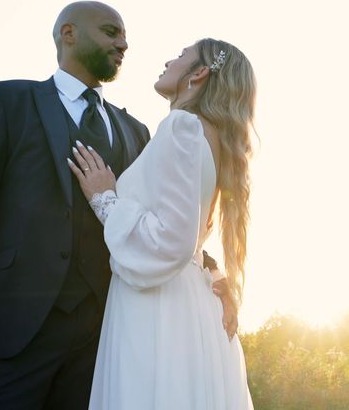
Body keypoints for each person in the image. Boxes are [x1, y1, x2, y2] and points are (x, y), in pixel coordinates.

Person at [0, 1, 231, 410]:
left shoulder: (137, 131)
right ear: (68, 33)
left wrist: (211, 271)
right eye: (111, 32)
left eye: (125, 37)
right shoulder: (4, 102)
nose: (123, 44)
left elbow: (161, 215)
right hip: (13, 341)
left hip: (106, 343)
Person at [68, 38, 256, 409]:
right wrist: (216, 271)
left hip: (158, 305)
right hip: (184, 298)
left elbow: (171, 240)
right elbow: (188, 229)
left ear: (198, 74)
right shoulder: (209, 134)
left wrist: (105, 199)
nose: (171, 59)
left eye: (182, 55)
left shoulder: (182, 127)